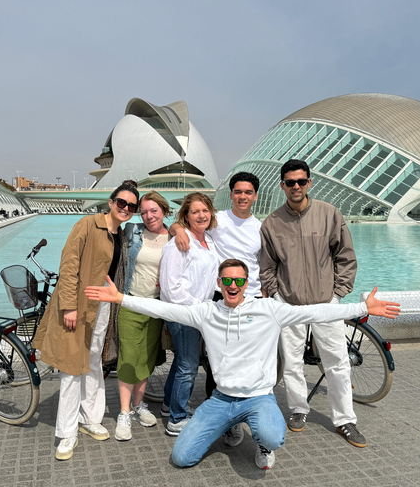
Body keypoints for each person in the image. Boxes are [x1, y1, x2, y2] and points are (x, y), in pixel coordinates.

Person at [85, 259, 399, 469]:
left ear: (245, 283)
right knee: (181, 458)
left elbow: (315, 312)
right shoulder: (206, 312)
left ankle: (263, 446)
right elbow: (163, 308)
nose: (232, 285)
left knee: (273, 435)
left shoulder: (270, 310)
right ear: (220, 283)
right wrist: (121, 299)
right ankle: (229, 424)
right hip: (221, 399)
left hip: (259, 397)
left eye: (238, 280)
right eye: (227, 280)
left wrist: (360, 307)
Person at [260, 159, 364, 447]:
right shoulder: (272, 222)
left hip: (325, 303)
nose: (296, 186)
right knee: (292, 362)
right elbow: (267, 266)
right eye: (290, 182)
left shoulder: (329, 214)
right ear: (282, 185)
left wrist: (338, 294)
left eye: (301, 181)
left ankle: (345, 420)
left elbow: (346, 257)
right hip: (290, 304)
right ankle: (298, 409)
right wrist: (277, 295)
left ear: (309, 182)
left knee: (338, 363)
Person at [32, 181, 139, 461]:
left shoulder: (121, 235)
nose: (126, 208)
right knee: (71, 368)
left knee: (93, 363)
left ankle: (90, 417)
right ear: (111, 201)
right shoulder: (88, 225)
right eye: (121, 202)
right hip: (78, 307)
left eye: (131, 206)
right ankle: (66, 433)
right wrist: (68, 306)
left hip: (102, 308)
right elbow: (68, 266)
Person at [171, 171, 262, 444]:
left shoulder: (261, 226)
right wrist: (176, 230)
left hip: (253, 298)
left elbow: (266, 263)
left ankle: (250, 413)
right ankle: (223, 418)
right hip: (222, 297)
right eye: (238, 192)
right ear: (231, 194)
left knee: (250, 360)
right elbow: (184, 223)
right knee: (218, 360)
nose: (243, 196)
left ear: (255, 196)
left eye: (248, 192)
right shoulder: (217, 219)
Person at [159, 192, 219, 436]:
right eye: (195, 211)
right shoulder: (178, 243)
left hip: (200, 312)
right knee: (188, 365)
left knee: (183, 361)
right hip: (184, 313)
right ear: (185, 215)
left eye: (205, 210)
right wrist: (198, 308)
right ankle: (178, 418)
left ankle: (168, 404)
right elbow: (171, 286)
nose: (201, 215)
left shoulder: (209, 241)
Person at [114, 191, 171, 441]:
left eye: (153, 211)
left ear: (164, 211)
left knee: (146, 358)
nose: (148, 216)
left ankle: (139, 406)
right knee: (128, 357)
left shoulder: (174, 237)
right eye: (144, 211)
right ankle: (124, 413)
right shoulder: (132, 231)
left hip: (156, 306)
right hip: (130, 302)